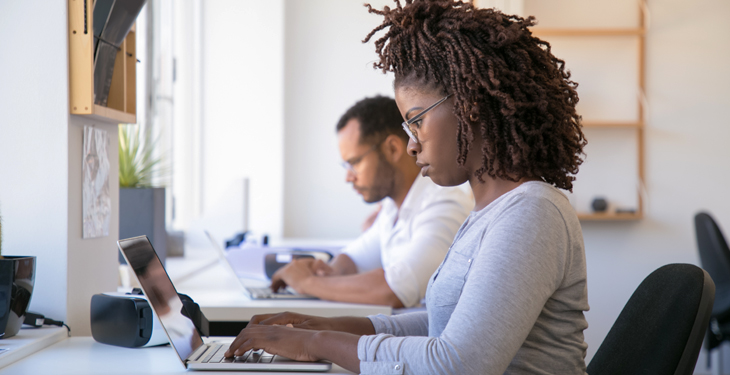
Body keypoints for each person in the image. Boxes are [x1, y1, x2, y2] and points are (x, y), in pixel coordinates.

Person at [225, 1, 589, 374]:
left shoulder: (531, 213)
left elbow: (456, 365)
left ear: (471, 106)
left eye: (417, 121)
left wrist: (317, 344)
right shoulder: (488, 213)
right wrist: (325, 326)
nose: (412, 144)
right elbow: (438, 326)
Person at [270, 95, 472, 308]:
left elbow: (394, 291)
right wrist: (327, 271)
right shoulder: (391, 208)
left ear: (393, 149)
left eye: (355, 162)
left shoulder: (446, 205)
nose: (348, 177)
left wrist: (308, 282)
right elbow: (352, 259)